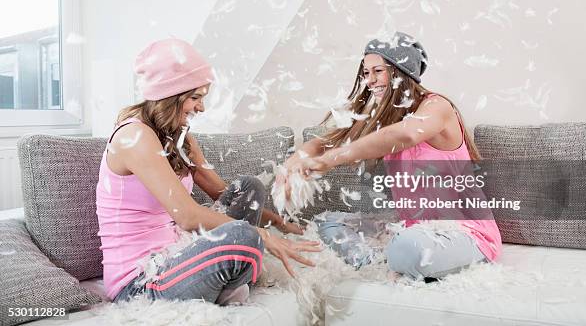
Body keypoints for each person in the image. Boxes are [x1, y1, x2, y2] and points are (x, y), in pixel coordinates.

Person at [96, 38, 320, 305]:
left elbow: (223, 193)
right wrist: (261, 235)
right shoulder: (134, 136)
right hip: (141, 283)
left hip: (177, 255)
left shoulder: (180, 137)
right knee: (243, 235)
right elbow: (188, 217)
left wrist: (282, 225)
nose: (201, 107)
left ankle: (226, 278)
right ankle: (232, 277)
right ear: (169, 96)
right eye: (195, 98)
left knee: (248, 189)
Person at [277, 32, 502, 281]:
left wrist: (330, 160)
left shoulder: (437, 106)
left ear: (400, 72)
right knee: (328, 223)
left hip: (465, 233)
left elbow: (404, 136)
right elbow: (322, 142)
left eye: (378, 71)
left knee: (406, 247)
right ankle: (380, 262)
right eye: (366, 73)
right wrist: (289, 166)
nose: (370, 80)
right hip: (414, 229)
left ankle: (399, 257)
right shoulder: (385, 117)